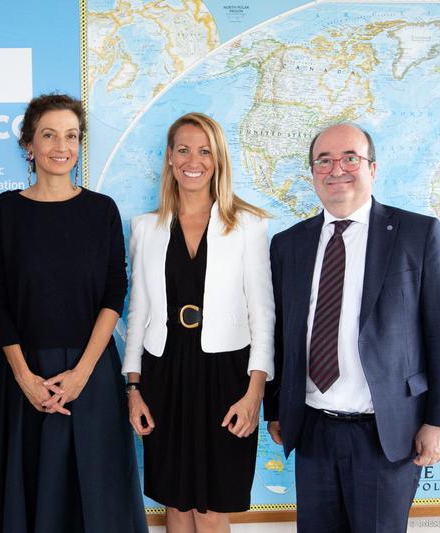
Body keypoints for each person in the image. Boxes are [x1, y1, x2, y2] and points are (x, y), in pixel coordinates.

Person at [264, 123, 440, 532]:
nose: (337, 169)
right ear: (313, 173)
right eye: (325, 160)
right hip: (313, 430)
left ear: (372, 168)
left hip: (387, 434)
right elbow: (281, 332)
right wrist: (275, 408)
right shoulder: (289, 244)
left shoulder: (416, 234)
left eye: (350, 158)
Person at [0, 94, 147, 533]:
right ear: (28, 145)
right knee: (28, 499)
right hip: (24, 376)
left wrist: (82, 373)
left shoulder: (102, 210)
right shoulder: (6, 210)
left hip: (90, 373)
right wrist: (23, 375)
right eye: (48, 134)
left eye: (71, 136)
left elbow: (115, 292)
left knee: (95, 498)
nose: (60, 145)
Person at [123, 112, 275, 532]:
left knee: (211, 505)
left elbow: (263, 314)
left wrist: (254, 395)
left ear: (218, 159)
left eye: (205, 151)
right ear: (170, 158)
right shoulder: (146, 228)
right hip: (163, 371)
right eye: (184, 149)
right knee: (175, 501)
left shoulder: (248, 225)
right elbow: (137, 313)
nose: (194, 160)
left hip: (226, 375)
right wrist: (133, 389)